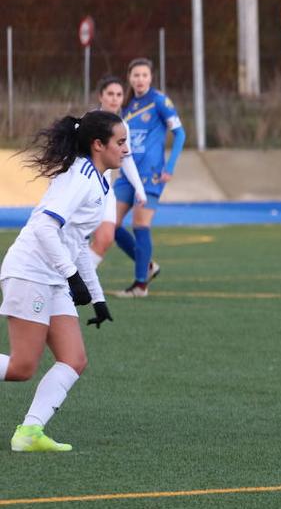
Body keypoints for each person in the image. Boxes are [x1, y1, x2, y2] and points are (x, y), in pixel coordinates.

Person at [1, 111, 122, 452]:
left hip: (52, 276)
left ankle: (29, 433)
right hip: (30, 271)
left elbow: (77, 243)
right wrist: (71, 276)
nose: (126, 149)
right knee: (22, 366)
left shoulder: (99, 182)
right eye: (120, 142)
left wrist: (97, 297)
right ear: (98, 145)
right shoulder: (80, 178)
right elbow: (44, 227)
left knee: (74, 359)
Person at [112, 58, 184, 297]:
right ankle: (149, 265)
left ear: (151, 77)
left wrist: (169, 166)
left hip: (150, 173)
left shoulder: (160, 101)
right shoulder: (127, 104)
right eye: (136, 75)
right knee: (109, 224)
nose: (140, 79)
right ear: (129, 77)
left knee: (140, 224)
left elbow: (180, 134)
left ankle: (140, 285)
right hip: (126, 173)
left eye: (144, 75)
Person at [88, 76, 148, 267]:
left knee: (106, 237)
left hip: (105, 191)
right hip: (84, 189)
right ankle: (68, 281)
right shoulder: (88, 122)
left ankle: (78, 283)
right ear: (101, 96)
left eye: (119, 94)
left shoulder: (123, 126)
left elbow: (127, 158)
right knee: (73, 241)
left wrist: (139, 188)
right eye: (110, 94)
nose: (115, 98)